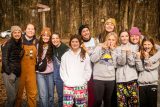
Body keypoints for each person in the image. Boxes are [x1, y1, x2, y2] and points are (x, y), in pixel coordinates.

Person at [60, 35, 92, 107]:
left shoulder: (85, 55)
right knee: (67, 105)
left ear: (79, 43)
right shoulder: (65, 56)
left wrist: (84, 80)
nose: (75, 43)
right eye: (73, 42)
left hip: (81, 85)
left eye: (76, 42)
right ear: (70, 43)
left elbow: (88, 69)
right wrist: (66, 81)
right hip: (68, 86)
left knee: (81, 105)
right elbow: (62, 70)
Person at [90, 32, 118, 107]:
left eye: (113, 40)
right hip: (98, 78)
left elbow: (116, 65)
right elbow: (93, 59)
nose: (111, 41)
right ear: (106, 40)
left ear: (116, 41)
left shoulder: (116, 50)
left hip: (110, 79)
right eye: (109, 39)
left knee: (108, 100)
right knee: (98, 100)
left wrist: (112, 51)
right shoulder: (99, 47)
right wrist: (102, 49)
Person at [15, 23, 38, 107]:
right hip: (20, 71)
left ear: (35, 31)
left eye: (32, 29)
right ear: (25, 30)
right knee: (18, 93)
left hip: (32, 72)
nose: (30, 30)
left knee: (32, 94)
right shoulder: (19, 40)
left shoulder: (37, 42)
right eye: (29, 29)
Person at [1, 25, 23, 107]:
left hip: (17, 73)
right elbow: (4, 59)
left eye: (18, 32)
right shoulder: (8, 43)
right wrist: (9, 72)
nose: (17, 34)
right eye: (15, 32)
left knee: (15, 96)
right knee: (12, 97)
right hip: (9, 73)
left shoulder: (19, 43)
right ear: (12, 33)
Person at [116, 30, 139, 107]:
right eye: (122, 36)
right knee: (122, 103)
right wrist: (123, 52)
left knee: (134, 103)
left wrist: (129, 53)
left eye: (126, 36)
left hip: (132, 79)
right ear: (119, 38)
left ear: (129, 37)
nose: (124, 38)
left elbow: (132, 63)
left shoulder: (135, 47)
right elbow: (121, 63)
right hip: (120, 80)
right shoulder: (117, 48)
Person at [136, 37, 159, 107]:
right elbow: (140, 69)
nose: (147, 46)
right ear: (142, 45)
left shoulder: (156, 56)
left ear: (152, 45)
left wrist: (146, 58)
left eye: (149, 44)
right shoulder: (140, 54)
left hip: (152, 84)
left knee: (152, 104)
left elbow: (149, 67)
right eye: (145, 44)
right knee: (143, 105)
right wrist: (138, 58)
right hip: (142, 85)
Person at [78, 24, 96, 107]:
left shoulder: (95, 40)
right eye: (83, 31)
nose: (86, 33)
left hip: (96, 69)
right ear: (81, 34)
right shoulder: (79, 43)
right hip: (84, 70)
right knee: (84, 90)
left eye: (87, 30)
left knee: (93, 91)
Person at [36, 27, 54, 107]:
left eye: (47, 36)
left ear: (50, 37)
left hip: (51, 74)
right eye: (44, 35)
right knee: (43, 96)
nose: (45, 37)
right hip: (40, 74)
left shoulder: (53, 46)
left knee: (51, 95)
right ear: (41, 36)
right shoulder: (37, 46)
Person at [52, 33, 69, 107]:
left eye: (56, 38)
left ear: (60, 39)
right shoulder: (51, 47)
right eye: (53, 38)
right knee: (59, 95)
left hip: (62, 75)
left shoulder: (65, 49)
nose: (55, 40)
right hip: (53, 74)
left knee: (63, 95)